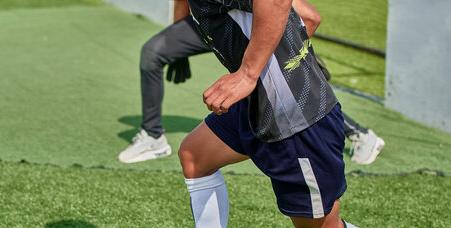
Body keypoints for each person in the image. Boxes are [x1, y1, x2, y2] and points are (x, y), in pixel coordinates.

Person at [158, 0, 432, 228]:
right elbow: (308, 17)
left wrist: (250, 74)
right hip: (257, 106)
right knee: (194, 155)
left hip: (297, 123)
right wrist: (281, 67)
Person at [118, 0, 385, 165]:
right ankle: (153, 137)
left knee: (276, 90)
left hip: (249, 30)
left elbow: (309, 16)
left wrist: (293, 58)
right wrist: (176, 51)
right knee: (153, 52)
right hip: (207, 22)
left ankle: (359, 134)